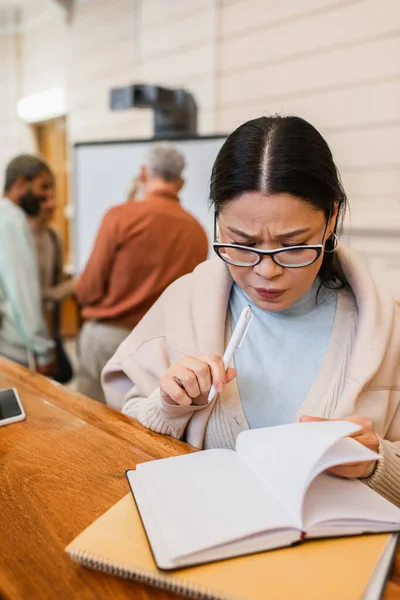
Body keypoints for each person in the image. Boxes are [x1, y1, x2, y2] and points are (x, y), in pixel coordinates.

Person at [102, 116, 400, 508]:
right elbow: (118, 438)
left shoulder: (386, 328)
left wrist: (377, 463)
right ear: (218, 222)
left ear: (331, 219)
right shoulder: (185, 302)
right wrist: (167, 405)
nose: (266, 271)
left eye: (293, 245)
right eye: (241, 243)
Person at [75, 142, 209, 403]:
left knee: (88, 418)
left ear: (143, 174)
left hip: (108, 337)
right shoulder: (197, 231)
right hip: (161, 346)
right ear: (181, 184)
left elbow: (88, 289)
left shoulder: (120, 217)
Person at [0, 155, 54, 372]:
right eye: (43, 186)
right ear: (22, 184)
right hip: (19, 347)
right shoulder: (12, 219)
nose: (48, 195)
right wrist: (44, 350)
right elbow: (23, 291)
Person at [28, 177, 75, 383]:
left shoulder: (53, 236)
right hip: (25, 327)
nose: (52, 204)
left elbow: (54, 283)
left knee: (61, 375)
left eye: (53, 198)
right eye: (45, 198)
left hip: (48, 323)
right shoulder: (19, 238)